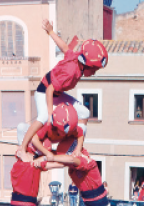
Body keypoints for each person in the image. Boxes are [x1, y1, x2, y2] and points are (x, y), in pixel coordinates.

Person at [18, 21, 105, 161]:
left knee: (84, 112)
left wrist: (51, 31)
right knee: (43, 117)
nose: (94, 73)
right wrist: (51, 112)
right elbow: (50, 89)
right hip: (44, 91)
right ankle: (22, 148)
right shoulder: (71, 73)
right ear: (85, 65)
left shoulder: (77, 58)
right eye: (94, 70)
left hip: (56, 92)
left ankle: (78, 149)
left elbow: (65, 47)